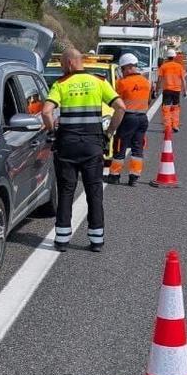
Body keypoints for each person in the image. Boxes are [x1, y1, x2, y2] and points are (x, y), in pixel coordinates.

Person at [41, 47, 125, 253]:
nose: (62, 68)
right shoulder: (99, 82)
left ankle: (61, 239)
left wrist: (53, 132)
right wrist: (109, 133)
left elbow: (46, 112)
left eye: (62, 64)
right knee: (94, 191)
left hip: (67, 145)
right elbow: (121, 107)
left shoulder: (61, 84)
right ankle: (96, 239)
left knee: (66, 191)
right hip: (93, 145)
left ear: (69, 63)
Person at [108, 53, 151, 186]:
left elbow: (117, 102)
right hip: (143, 118)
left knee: (120, 145)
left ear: (127, 67)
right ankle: (134, 177)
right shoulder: (146, 82)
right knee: (137, 148)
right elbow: (148, 100)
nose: (122, 72)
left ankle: (114, 175)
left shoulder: (122, 83)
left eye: (122, 69)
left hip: (128, 118)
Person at [158, 48, 187, 132]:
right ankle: (175, 125)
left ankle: (167, 127)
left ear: (167, 57)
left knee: (166, 108)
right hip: (176, 90)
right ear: (174, 57)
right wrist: (185, 91)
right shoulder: (179, 66)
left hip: (167, 90)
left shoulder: (163, 66)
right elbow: (183, 79)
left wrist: (156, 90)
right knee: (176, 108)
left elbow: (159, 79)